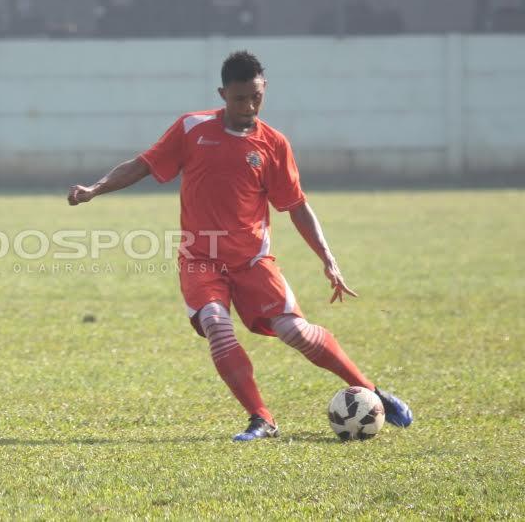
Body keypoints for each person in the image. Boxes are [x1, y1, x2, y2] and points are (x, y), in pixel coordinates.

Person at [67, 51, 413, 441]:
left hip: (253, 261)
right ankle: (262, 419)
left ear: (263, 91)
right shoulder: (191, 128)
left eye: (256, 97)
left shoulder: (274, 144)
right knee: (217, 324)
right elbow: (144, 163)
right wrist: (96, 189)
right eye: (239, 99)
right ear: (222, 94)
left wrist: (328, 258)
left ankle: (372, 391)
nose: (248, 106)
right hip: (201, 259)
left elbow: (296, 206)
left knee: (295, 332)